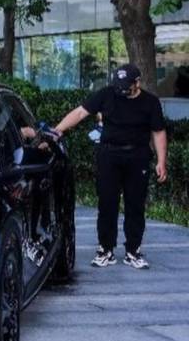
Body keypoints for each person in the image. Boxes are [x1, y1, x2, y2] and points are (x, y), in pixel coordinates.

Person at [49, 64, 167, 269]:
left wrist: (161, 161)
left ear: (137, 83)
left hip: (137, 156)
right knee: (107, 203)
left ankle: (133, 250)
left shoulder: (150, 102)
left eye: (126, 86)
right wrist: (57, 130)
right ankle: (106, 249)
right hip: (109, 155)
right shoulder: (106, 94)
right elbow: (79, 113)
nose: (121, 89)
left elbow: (158, 132)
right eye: (118, 85)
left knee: (135, 205)